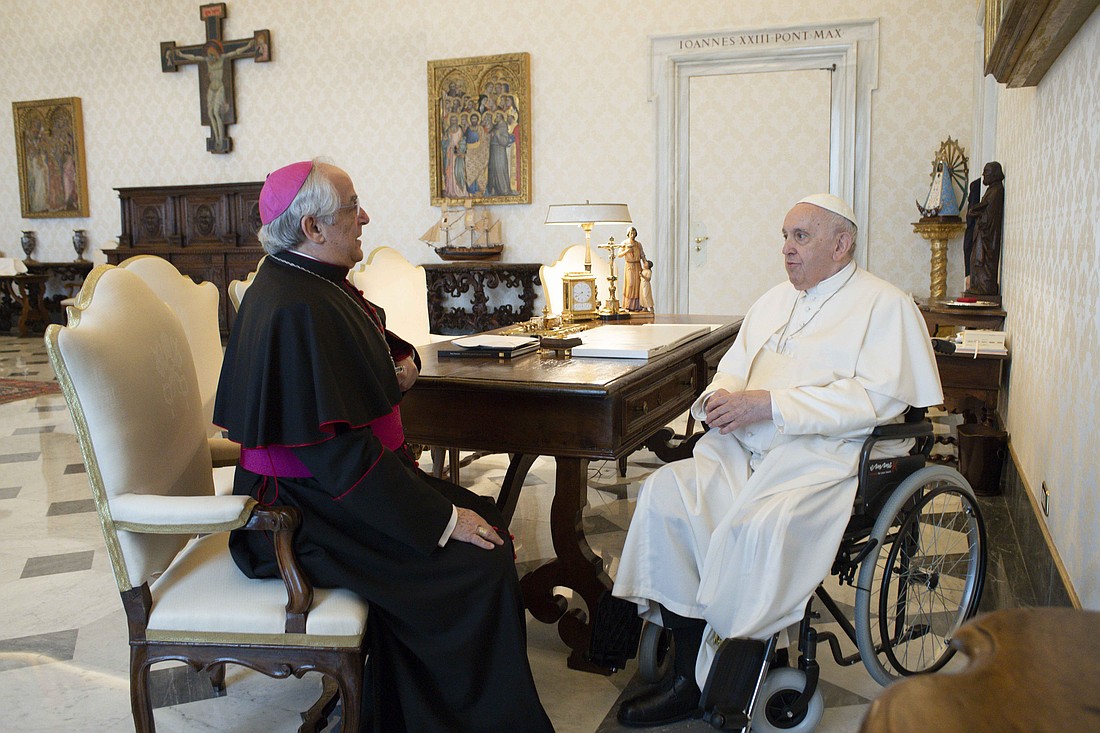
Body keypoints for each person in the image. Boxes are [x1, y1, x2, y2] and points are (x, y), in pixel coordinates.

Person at [213, 160, 554, 733]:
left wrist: (406, 362)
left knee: (488, 518)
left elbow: (376, 341)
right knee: (477, 556)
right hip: (296, 517)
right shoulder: (297, 305)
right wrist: (441, 520)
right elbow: (335, 453)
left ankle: (403, 706)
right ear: (313, 228)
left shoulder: (312, 283)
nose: (364, 216)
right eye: (352, 205)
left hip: (328, 491)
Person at [611, 194, 942, 727]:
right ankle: (684, 672)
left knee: (759, 526)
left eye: (800, 238)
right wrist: (719, 401)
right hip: (741, 447)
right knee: (666, 494)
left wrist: (770, 405)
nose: (786, 251)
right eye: (784, 238)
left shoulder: (884, 305)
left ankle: (729, 674)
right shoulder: (772, 301)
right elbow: (732, 369)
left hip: (823, 455)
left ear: (842, 244)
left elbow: (879, 400)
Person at [965, 161, 1005, 296]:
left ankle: (985, 286)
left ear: (994, 174)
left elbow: (990, 215)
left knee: (983, 261)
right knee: (975, 260)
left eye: (986, 172)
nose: (983, 175)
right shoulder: (991, 190)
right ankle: (978, 285)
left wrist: (977, 213)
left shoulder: (997, 191)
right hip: (981, 234)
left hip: (987, 235)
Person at [619, 227, 645, 310]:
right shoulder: (624, 243)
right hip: (629, 266)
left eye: (634, 234)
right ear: (628, 234)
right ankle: (628, 305)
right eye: (631, 234)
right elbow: (619, 254)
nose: (633, 235)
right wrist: (627, 251)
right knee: (630, 285)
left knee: (638, 285)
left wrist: (646, 263)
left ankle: (637, 306)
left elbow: (642, 255)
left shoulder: (638, 244)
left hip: (637, 266)